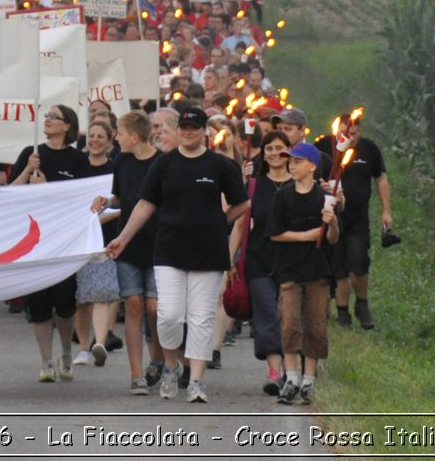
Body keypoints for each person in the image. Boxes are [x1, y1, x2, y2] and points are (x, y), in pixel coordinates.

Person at [105, 104, 248, 404]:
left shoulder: (220, 166)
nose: (188, 132)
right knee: (168, 315)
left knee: (201, 318)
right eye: (183, 128)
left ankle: (196, 379)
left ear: (204, 132)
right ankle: (170, 365)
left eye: (194, 128)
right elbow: (145, 205)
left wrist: (220, 221)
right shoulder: (164, 164)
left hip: (208, 252)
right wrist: (122, 238)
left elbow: (242, 203)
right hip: (169, 249)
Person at [10, 104, 85, 383]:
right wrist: (26, 172)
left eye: (55, 117)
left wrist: (47, 190)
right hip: (34, 241)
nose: (48, 120)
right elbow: (10, 193)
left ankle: (65, 351)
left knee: (65, 302)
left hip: (64, 241)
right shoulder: (31, 155)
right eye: (47, 116)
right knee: (39, 303)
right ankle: (45, 361)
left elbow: (82, 201)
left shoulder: (78, 160)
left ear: (68, 126)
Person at [97, 110, 164, 395]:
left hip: (157, 243)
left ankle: (159, 359)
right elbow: (121, 196)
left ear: (134, 137)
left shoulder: (162, 162)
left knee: (154, 308)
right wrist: (106, 200)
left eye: (120, 134)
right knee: (134, 304)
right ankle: (137, 373)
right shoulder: (121, 161)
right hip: (127, 243)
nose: (116, 138)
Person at [270, 142, 339, 405]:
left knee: (316, 325)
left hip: (318, 270)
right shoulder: (283, 196)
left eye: (297, 161)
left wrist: (331, 223)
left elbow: (333, 239)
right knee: (289, 322)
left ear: (312, 166)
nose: (291, 164)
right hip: (289, 270)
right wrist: (308, 236)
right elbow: (275, 233)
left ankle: (309, 379)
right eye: (290, 160)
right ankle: (291, 378)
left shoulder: (324, 198)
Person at [237, 128, 292, 397]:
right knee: (266, 313)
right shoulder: (254, 185)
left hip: (294, 259)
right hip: (259, 257)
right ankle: (274, 371)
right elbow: (239, 224)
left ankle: (293, 369)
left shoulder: (301, 183)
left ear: (289, 151)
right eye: (268, 149)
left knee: (289, 315)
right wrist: (230, 259)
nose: (273, 153)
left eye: (279, 148)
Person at [71, 117, 120, 369]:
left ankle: (99, 342)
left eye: (100, 136)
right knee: (82, 297)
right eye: (91, 136)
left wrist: (99, 220)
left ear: (110, 141)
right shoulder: (78, 167)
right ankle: (82, 347)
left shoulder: (115, 169)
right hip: (79, 238)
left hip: (106, 237)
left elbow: (123, 204)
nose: (95, 140)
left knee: (101, 292)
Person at [336, 121, 392, 330]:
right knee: (338, 264)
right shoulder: (327, 147)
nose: (352, 137)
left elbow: (381, 179)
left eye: (355, 133)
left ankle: (362, 304)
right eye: (347, 133)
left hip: (358, 217)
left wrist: (386, 211)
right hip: (332, 217)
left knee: (359, 261)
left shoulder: (369, 149)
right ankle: (342, 311)